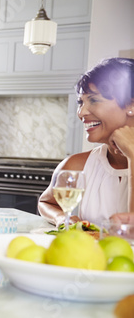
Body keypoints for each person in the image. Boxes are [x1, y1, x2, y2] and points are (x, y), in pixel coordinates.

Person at [38, 58, 134, 226]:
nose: (81, 112)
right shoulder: (77, 165)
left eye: (94, 100)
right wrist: (61, 218)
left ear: (130, 105)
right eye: (80, 102)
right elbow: (46, 203)